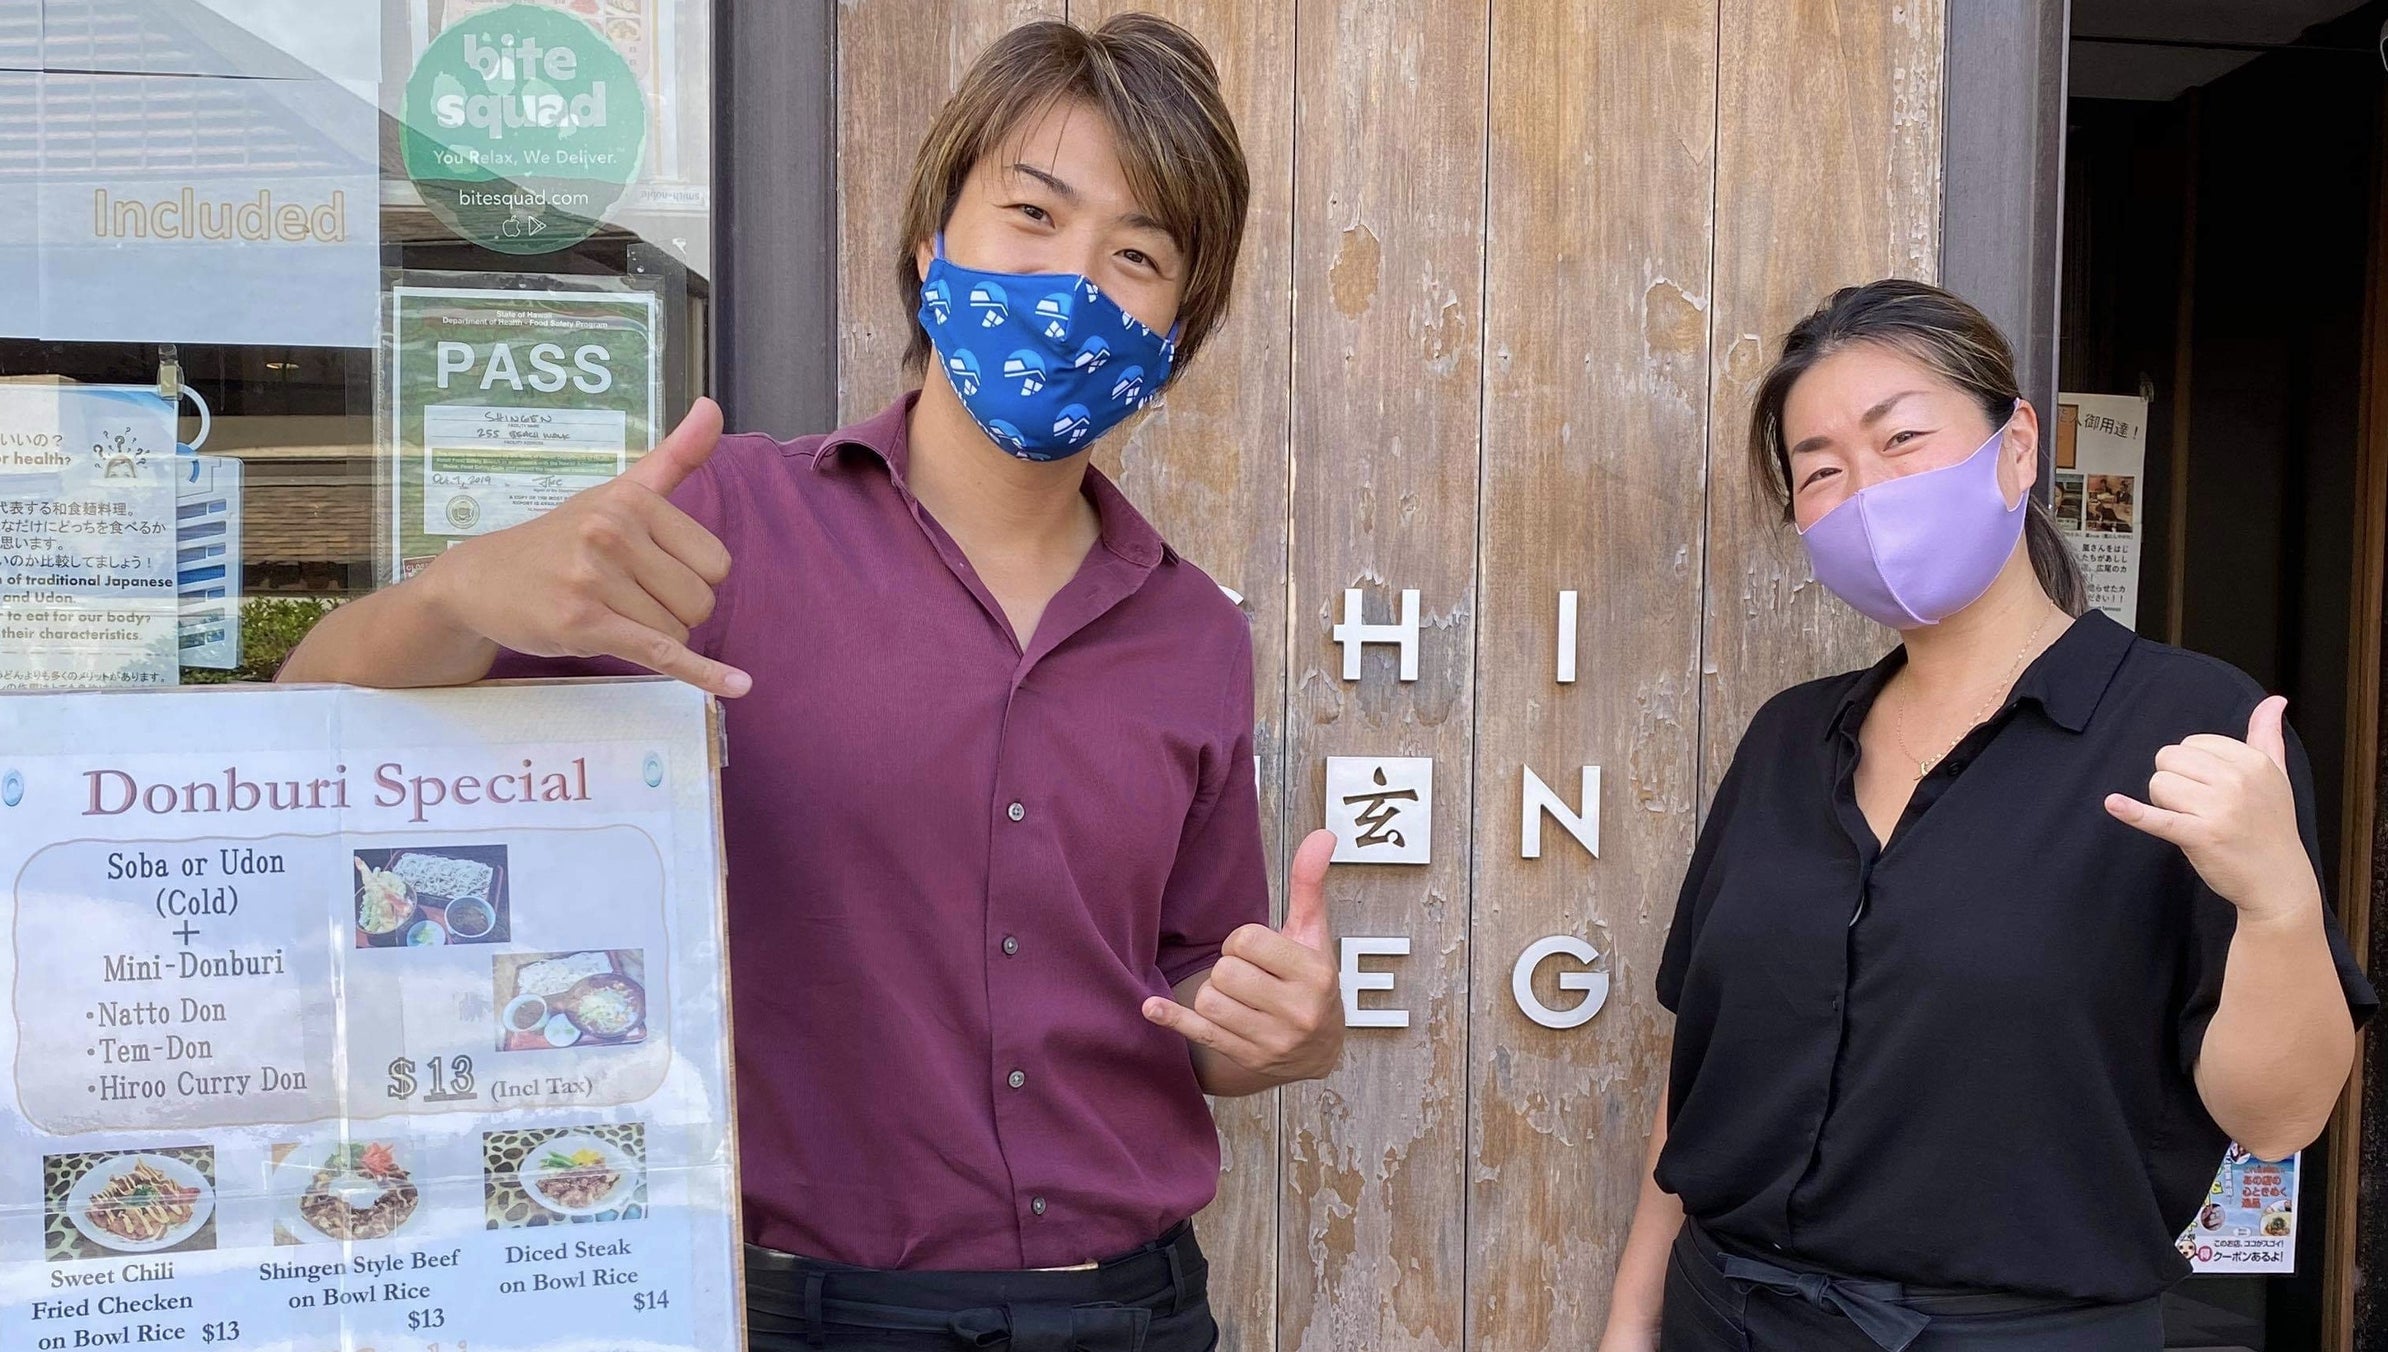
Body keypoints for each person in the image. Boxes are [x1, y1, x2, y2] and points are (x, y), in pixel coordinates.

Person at [282, 17, 1343, 1350]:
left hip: (1131, 1311)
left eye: (1137, 255)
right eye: (1032, 214)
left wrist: (1284, 1034)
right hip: (800, 1312)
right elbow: (316, 722)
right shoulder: (723, 529)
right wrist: (454, 593)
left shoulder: (1192, 631)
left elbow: (1197, 992)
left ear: (1175, 327)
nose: (1074, 282)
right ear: (932, 244)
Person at [1597, 279, 2375, 1352]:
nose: (1866, 493)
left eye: (1902, 439)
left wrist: (2278, 902)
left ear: (2016, 449)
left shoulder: (2190, 725)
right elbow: (1700, 1069)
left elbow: (2278, 1116)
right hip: (1720, 1312)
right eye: (1821, 470)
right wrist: (1632, 1316)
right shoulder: (1788, 738)